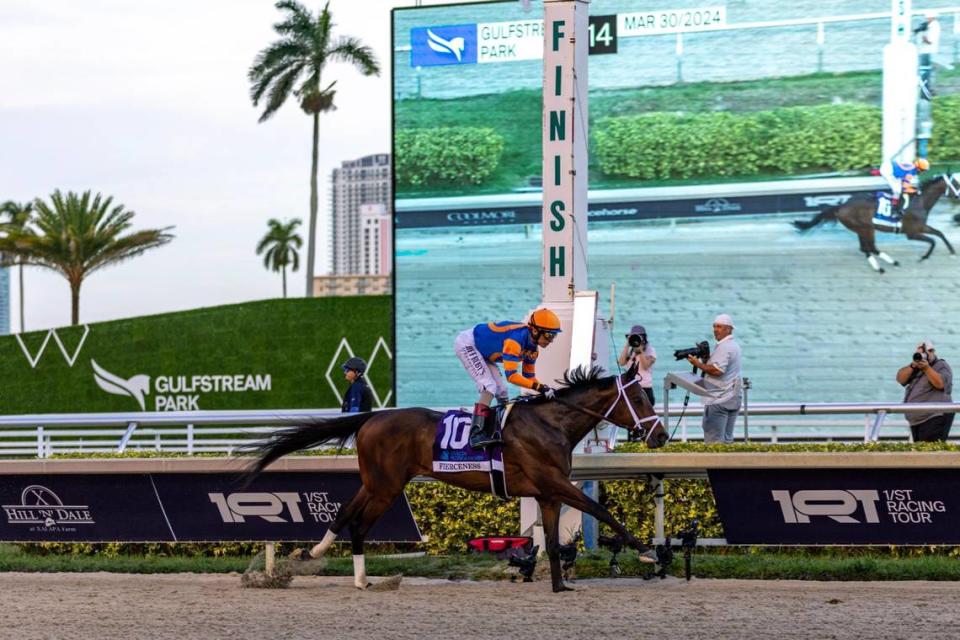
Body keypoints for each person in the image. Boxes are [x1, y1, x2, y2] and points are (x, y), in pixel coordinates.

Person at [454, 308, 561, 448]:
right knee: (489, 386)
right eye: (549, 335)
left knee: (502, 391)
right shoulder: (515, 340)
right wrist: (538, 388)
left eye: (554, 336)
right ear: (535, 331)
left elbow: (530, 378)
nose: (551, 340)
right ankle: (476, 434)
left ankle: (498, 429)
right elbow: (512, 376)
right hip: (468, 344)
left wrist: (544, 388)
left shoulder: (533, 349)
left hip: (483, 351)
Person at [686, 314, 742, 444]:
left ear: (729, 329)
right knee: (727, 439)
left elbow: (717, 371)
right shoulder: (734, 345)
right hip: (733, 397)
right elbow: (720, 367)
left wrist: (697, 364)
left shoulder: (725, 347)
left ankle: (715, 465)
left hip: (719, 398)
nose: (715, 330)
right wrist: (706, 358)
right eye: (714, 326)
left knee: (714, 440)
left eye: (719, 327)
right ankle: (728, 464)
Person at [897, 340, 953, 442]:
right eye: (918, 354)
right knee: (921, 453)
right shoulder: (915, 368)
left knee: (930, 453)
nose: (921, 356)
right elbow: (900, 379)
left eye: (924, 353)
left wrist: (927, 368)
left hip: (935, 416)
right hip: (917, 420)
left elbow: (940, 384)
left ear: (932, 351)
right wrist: (913, 365)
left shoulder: (941, 365)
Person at [618, 324, 656, 406]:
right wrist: (627, 344)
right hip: (631, 387)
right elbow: (621, 362)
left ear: (643, 338)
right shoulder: (631, 351)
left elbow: (645, 366)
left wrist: (641, 351)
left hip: (645, 388)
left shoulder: (650, 350)